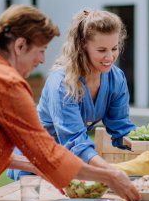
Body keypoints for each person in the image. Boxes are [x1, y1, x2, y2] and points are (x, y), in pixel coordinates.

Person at [0, 5, 140, 201]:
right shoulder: (7, 84)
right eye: (40, 50)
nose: (42, 60)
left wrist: (38, 166)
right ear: (20, 46)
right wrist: (109, 176)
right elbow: (48, 152)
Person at [8, 9, 138, 180]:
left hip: (67, 163)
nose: (110, 57)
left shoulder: (116, 78)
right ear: (83, 46)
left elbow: (122, 130)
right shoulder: (63, 83)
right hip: (33, 165)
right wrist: (111, 174)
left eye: (114, 48)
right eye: (101, 50)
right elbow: (75, 142)